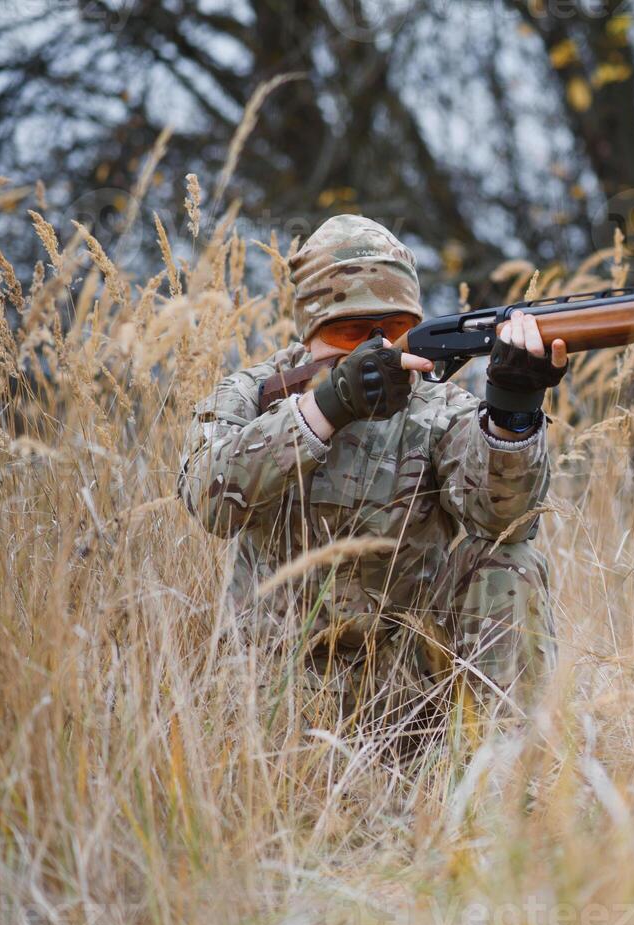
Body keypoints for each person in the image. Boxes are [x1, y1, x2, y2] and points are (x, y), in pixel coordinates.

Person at [178, 215, 565, 747]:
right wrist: (329, 406)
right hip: (274, 698)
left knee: (509, 560)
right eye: (350, 332)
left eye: (395, 328)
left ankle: (507, 786)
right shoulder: (251, 395)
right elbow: (208, 497)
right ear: (309, 331)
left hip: (412, 691)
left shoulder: (441, 408)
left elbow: (505, 520)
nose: (377, 348)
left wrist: (512, 412)